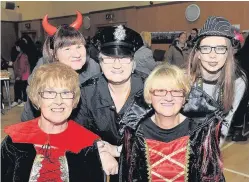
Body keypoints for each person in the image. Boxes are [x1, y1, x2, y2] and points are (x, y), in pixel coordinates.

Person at [119, 64, 225, 182]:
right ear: (149, 96)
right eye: (160, 91)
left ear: (184, 98)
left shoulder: (200, 131)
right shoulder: (135, 132)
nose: (169, 98)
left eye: (176, 91)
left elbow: (211, 176)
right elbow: (128, 176)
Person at [1, 63, 106, 181]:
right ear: (37, 98)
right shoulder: (15, 141)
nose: (59, 101)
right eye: (50, 93)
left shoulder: (87, 144)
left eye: (66, 93)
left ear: (74, 99)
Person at [73, 25, 152, 180]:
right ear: (100, 63)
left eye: (123, 58)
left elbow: (164, 134)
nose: (117, 65)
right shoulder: (87, 93)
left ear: (133, 62)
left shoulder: (150, 88)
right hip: (102, 171)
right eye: (109, 59)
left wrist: (118, 151)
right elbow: (76, 131)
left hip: (145, 168)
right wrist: (99, 149)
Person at [21, 11, 100, 121]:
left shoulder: (94, 70)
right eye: (67, 49)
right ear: (54, 54)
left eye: (79, 47)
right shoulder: (41, 75)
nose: (77, 54)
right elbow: (29, 117)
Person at [186, 16, 247, 145]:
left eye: (220, 48)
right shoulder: (183, 79)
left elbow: (224, 124)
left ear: (228, 53)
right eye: (206, 48)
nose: (212, 55)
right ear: (198, 52)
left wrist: (209, 156)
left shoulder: (238, 82)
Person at [232, 34, 249, 141]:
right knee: (242, 105)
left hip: (236, 81)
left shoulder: (240, 53)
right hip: (244, 82)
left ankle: (233, 128)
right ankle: (237, 132)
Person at [11, 38, 31, 107]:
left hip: (24, 76)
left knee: (22, 88)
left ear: (19, 47)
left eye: (16, 46)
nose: (16, 48)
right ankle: (19, 99)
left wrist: (19, 75)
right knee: (19, 87)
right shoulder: (21, 54)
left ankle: (24, 101)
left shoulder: (22, 56)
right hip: (23, 76)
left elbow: (22, 67)